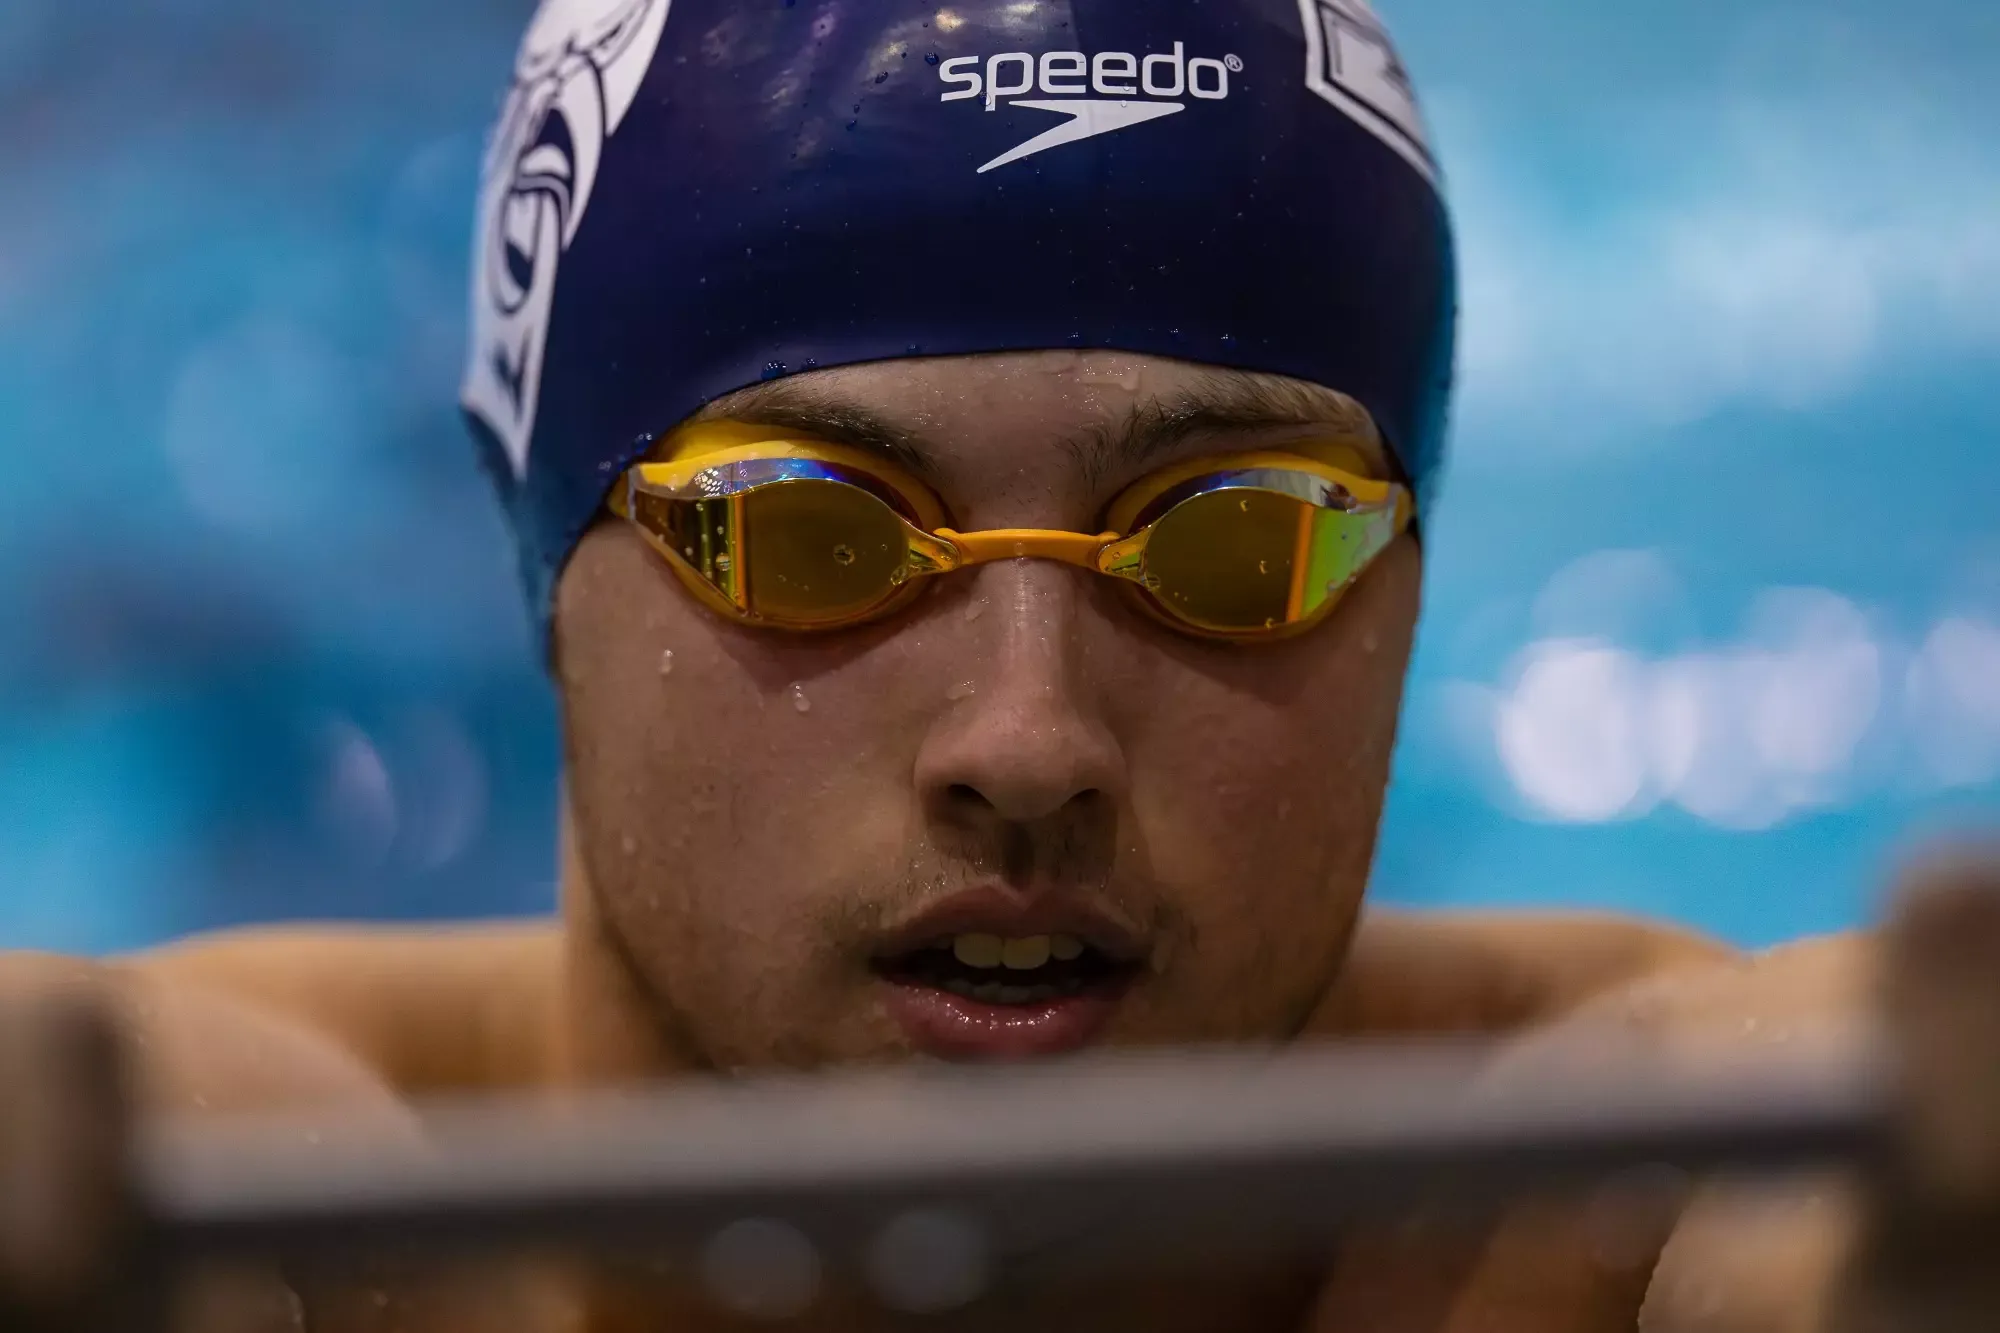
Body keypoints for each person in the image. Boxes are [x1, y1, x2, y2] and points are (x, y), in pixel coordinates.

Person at [4, 1, 1996, 1330]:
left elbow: (1803, 1152)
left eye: (1236, 540)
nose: (1029, 740)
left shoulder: (1579, 1203)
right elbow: (134, 1117)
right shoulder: (307, 1177)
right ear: (540, 560)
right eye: (812, 535)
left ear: (1411, 587)